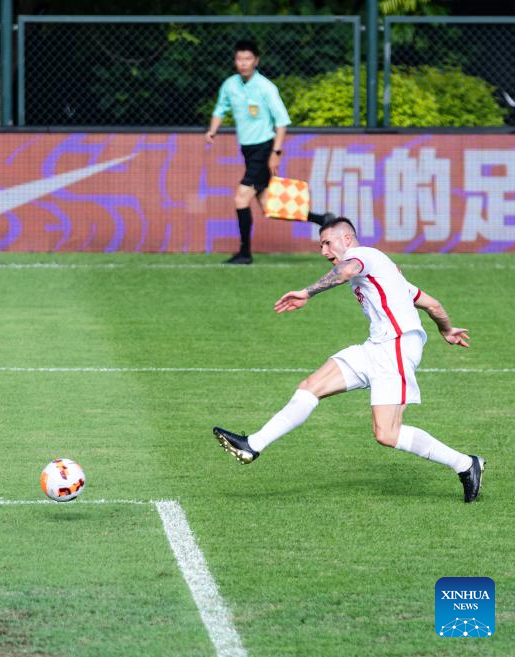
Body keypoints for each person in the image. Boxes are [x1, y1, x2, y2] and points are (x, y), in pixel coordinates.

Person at [212, 217, 484, 502]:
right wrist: (446, 329)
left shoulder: (363, 255)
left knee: (387, 434)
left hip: (395, 347)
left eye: (327, 243)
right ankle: (253, 444)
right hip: (376, 347)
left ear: (347, 239)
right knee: (310, 386)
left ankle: (465, 464)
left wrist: (306, 293)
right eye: (320, 246)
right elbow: (432, 304)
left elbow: (345, 271)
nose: (323, 251)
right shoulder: (386, 273)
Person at [205, 39, 328, 265]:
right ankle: (322, 219)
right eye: (240, 59)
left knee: (241, 197)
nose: (243, 63)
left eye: (248, 59)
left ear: (256, 61)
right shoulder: (230, 85)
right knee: (269, 206)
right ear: (235, 61)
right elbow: (220, 109)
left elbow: (281, 123)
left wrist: (275, 152)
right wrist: (212, 130)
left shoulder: (266, 87)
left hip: (264, 148)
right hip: (248, 150)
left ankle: (244, 253)